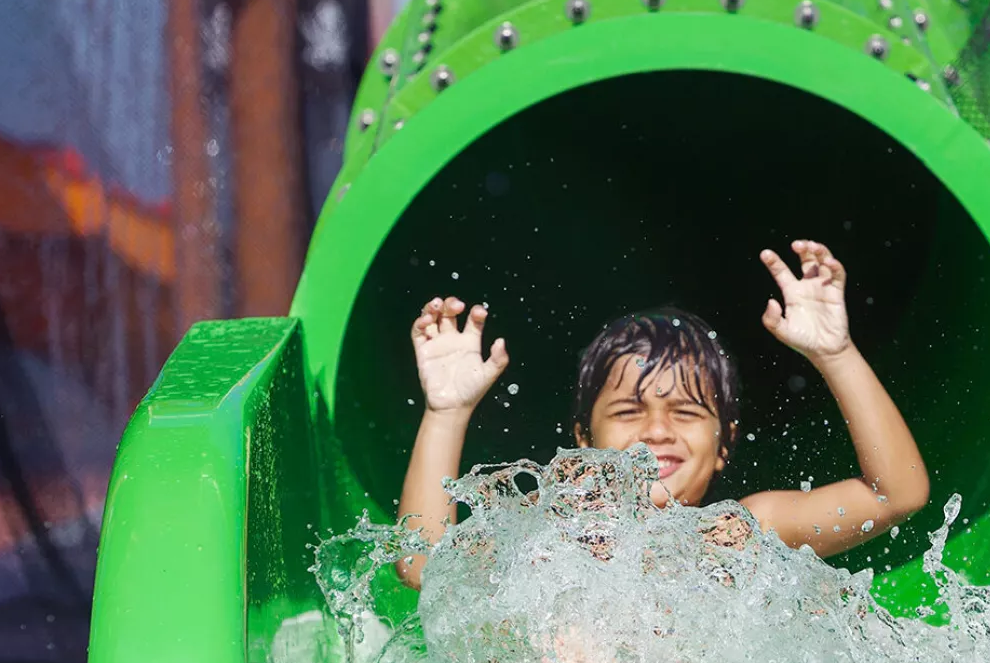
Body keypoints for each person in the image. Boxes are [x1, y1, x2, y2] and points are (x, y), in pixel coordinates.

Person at [395, 239, 929, 588]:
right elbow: (425, 566)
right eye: (629, 410)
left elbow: (895, 495)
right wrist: (446, 412)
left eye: (686, 412)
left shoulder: (741, 534)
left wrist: (836, 354)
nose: (656, 430)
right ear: (583, 437)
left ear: (724, 444)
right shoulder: (548, 532)